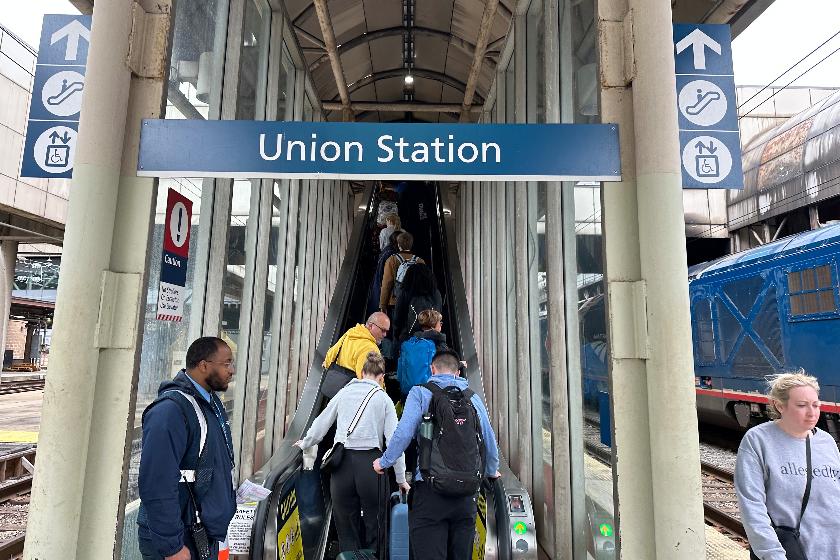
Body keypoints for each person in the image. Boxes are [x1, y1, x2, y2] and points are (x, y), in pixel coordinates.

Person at [373, 350, 500, 560]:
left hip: (431, 492)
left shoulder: (420, 392)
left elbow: (403, 432)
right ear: (458, 372)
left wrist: (384, 462)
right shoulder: (473, 396)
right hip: (467, 495)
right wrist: (491, 470)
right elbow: (488, 436)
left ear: (432, 369)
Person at [296, 352, 410, 553]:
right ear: (382, 376)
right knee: (376, 523)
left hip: (341, 467)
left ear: (361, 372)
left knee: (346, 525)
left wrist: (306, 442)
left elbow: (321, 424)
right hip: (372, 467)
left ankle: (350, 555)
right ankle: (374, 555)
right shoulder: (384, 399)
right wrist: (401, 478)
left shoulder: (343, 393)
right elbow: (395, 442)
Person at [137, 337, 237, 560]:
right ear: (204, 366)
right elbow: (156, 481)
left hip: (200, 529)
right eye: (227, 363)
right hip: (179, 538)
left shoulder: (209, 403)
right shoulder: (170, 412)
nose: (232, 370)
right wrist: (172, 547)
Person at [735, 370, 840, 559]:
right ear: (779, 405)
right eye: (802, 405)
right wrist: (772, 554)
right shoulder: (758, 440)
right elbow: (751, 505)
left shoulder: (827, 442)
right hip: (788, 552)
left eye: (816, 405)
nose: (812, 413)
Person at [396, 309, 450, 398]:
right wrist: (459, 364)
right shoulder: (438, 343)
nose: (441, 324)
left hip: (408, 392)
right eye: (439, 322)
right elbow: (447, 366)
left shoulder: (409, 343)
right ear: (433, 326)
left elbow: (400, 372)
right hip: (428, 394)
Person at [324, 312, 390, 378]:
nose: (385, 335)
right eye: (383, 330)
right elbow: (369, 383)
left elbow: (328, 359)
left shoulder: (351, 333)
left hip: (334, 385)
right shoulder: (370, 349)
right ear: (370, 326)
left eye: (387, 331)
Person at [392, 263, 443, 344]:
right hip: (432, 339)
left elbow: (398, 319)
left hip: (408, 340)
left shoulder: (405, 292)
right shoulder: (436, 293)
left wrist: (396, 336)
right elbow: (439, 314)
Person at [379, 232, 425, 315]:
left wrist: (383, 305)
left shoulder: (392, 260)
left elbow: (386, 284)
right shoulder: (420, 261)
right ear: (411, 244)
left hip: (395, 302)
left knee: (397, 326)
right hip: (415, 302)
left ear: (398, 245)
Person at [368, 230, 401, 316]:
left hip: (377, 294)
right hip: (385, 299)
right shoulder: (392, 256)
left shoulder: (387, 251)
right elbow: (387, 281)